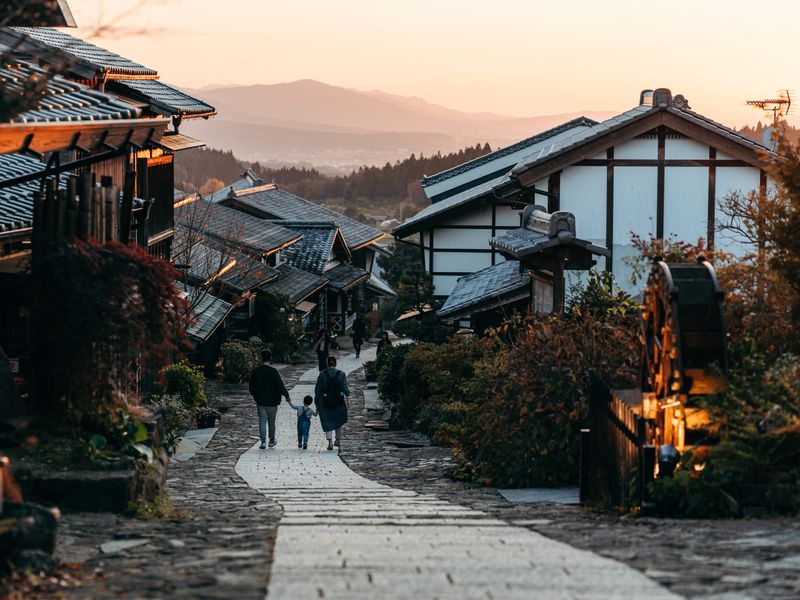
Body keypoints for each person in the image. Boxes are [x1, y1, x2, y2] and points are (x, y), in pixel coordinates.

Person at [248, 348, 290, 449]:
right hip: (272, 402)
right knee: (272, 422)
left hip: (261, 401)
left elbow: (251, 387)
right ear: (270, 358)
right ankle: (271, 441)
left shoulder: (256, 371)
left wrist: (256, 396)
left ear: (260, 358)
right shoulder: (273, 371)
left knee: (262, 421)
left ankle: (263, 442)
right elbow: (279, 385)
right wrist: (286, 395)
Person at [314, 355, 350, 451]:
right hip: (339, 401)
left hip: (326, 401)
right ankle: (337, 440)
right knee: (338, 421)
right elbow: (345, 388)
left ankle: (329, 441)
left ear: (327, 364)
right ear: (335, 363)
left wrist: (317, 403)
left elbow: (318, 390)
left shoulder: (322, 374)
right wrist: (348, 398)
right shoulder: (341, 374)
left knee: (327, 421)